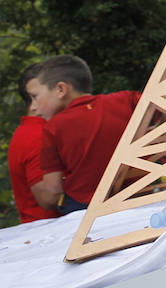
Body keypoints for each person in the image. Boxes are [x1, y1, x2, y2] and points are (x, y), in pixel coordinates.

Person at [26, 55, 139, 213]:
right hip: (141, 190)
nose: (33, 106)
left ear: (61, 89)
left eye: (35, 97)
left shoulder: (53, 128)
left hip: (88, 206)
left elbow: (53, 188)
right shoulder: (126, 99)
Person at [8, 71, 58, 222]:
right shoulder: (38, 136)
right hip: (53, 232)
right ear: (33, 100)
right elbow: (48, 198)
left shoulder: (31, 131)